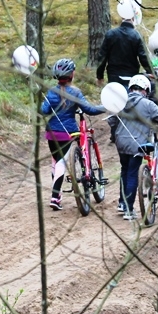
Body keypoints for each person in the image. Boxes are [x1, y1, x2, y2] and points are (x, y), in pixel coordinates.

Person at [39, 59, 106, 211]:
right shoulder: (75, 92)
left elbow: (44, 111)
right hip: (68, 133)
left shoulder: (51, 92)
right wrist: (106, 106)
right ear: (71, 75)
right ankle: (55, 197)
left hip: (51, 133)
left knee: (56, 162)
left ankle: (58, 195)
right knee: (62, 163)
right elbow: (90, 110)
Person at [115, 75, 158, 220]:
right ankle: (129, 210)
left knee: (125, 170)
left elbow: (112, 120)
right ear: (145, 89)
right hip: (137, 143)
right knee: (132, 173)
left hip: (121, 142)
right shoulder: (147, 104)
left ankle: (122, 203)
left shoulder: (121, 102)